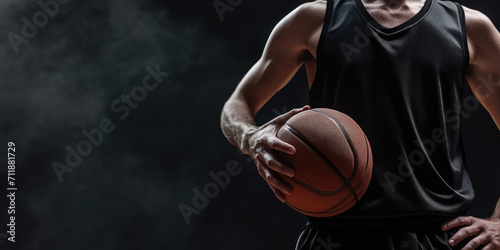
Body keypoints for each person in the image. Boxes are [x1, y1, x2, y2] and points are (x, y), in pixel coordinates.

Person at [220, 0, 500, 249]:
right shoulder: (313, 19)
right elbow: (237, 102)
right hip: (335, 233)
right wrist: (250, 137)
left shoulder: (469, 26)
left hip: (440, 235)